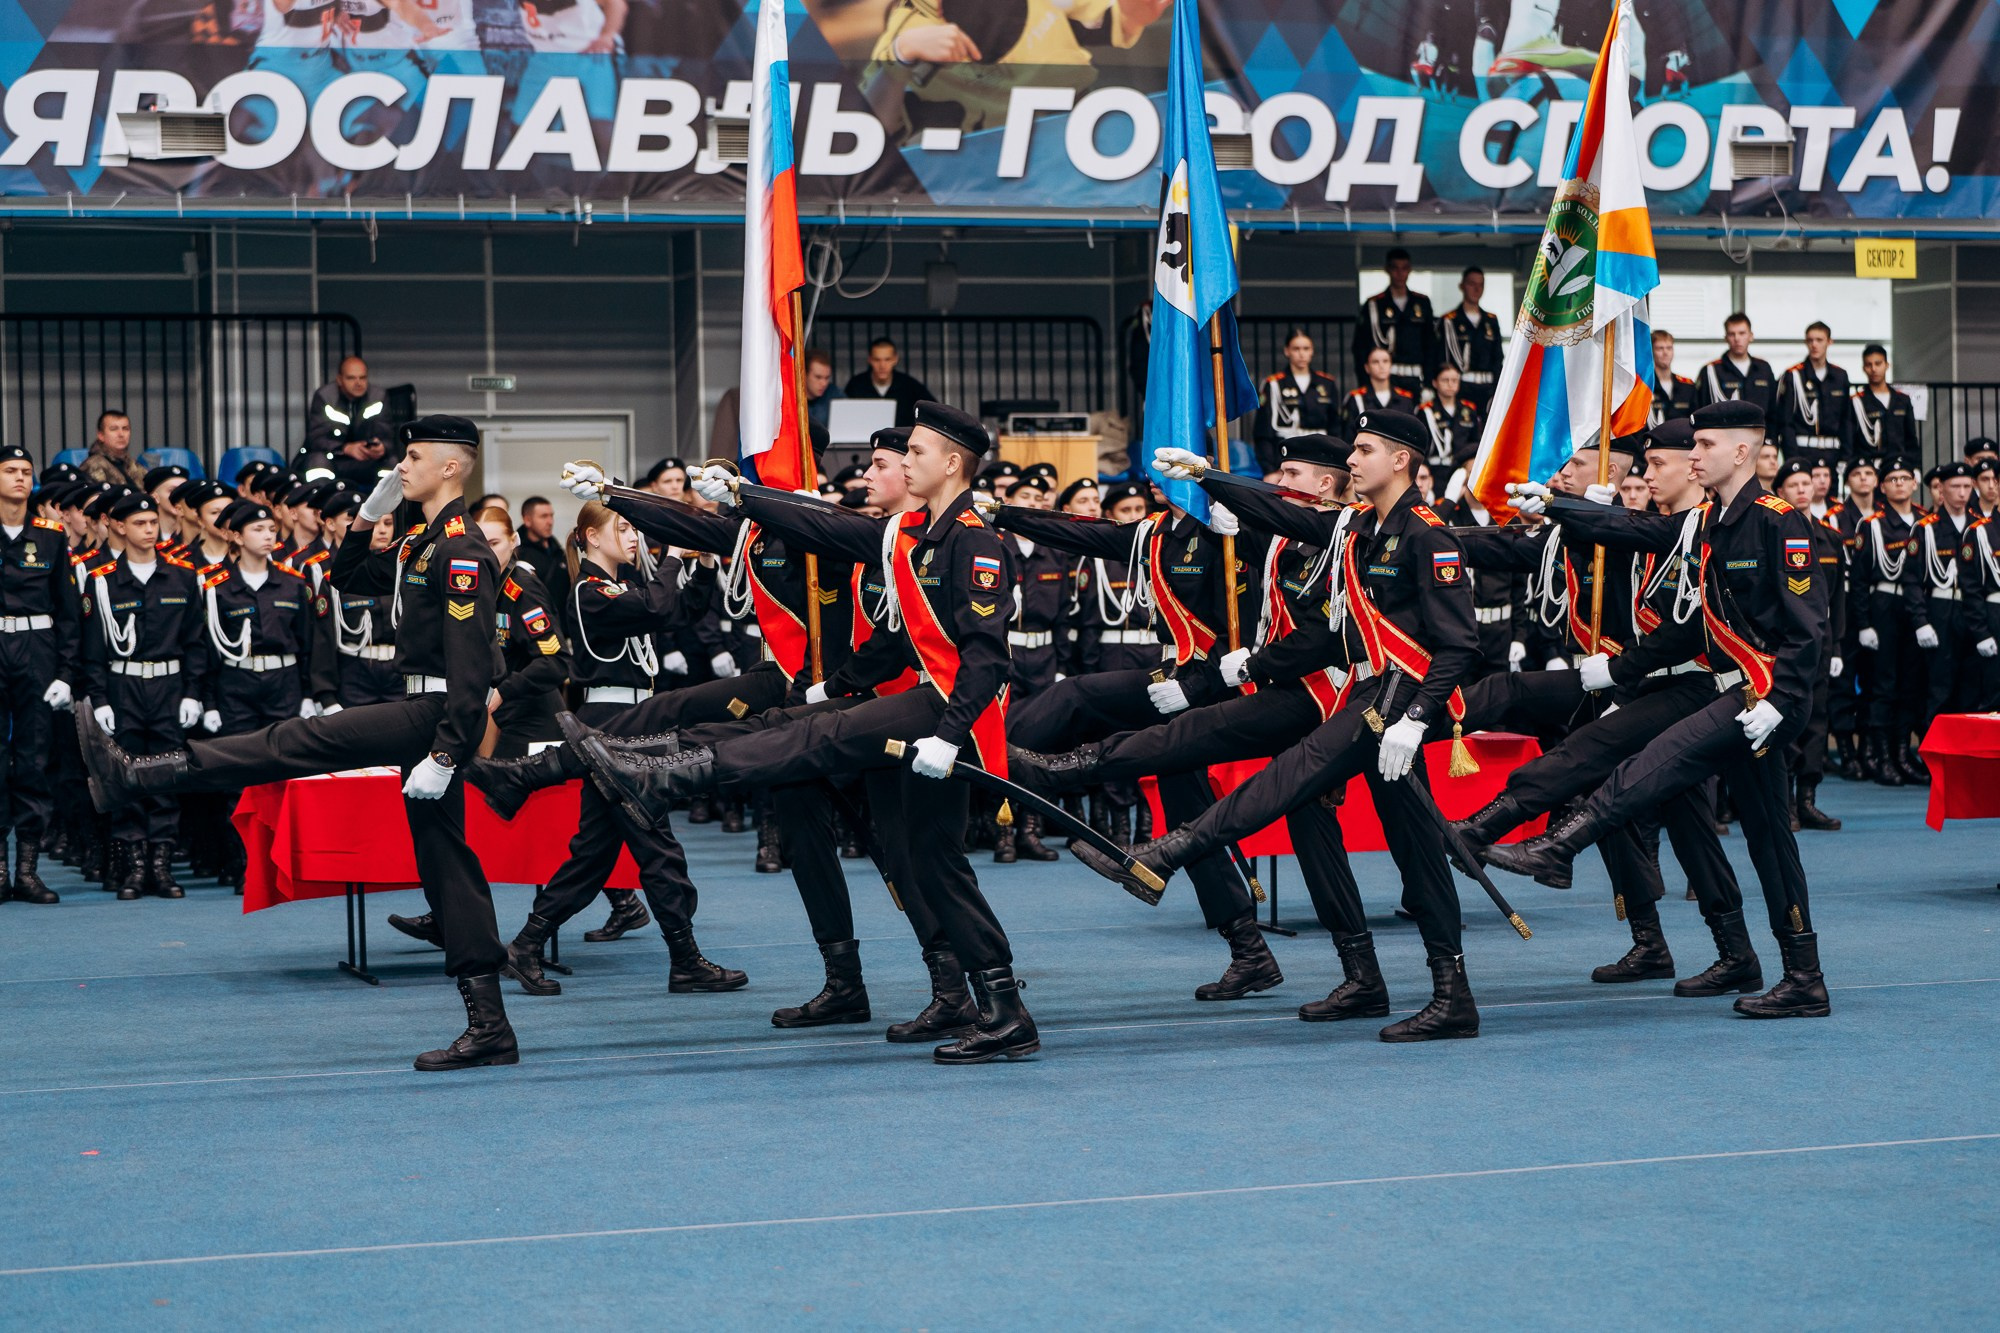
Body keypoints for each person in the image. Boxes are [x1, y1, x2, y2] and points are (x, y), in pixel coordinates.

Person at [566, 401, 1039, 1065]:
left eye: (904, 457)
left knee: (833, 765)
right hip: (894, 705)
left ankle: (661, 773)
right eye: (885, 459)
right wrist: (644, 496)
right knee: (919, 853)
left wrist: (948, 731)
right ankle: (983, 1002)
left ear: (947, 465)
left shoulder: (956, 537)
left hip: (931, 716)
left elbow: (984, 658)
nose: (891, 467)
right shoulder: (910, 536)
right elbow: (754, 531)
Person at [79, 415, 523, 1072]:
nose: (402, 466)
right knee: (446, 862)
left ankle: (142, 771)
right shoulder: (423, 539)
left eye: (415, 457)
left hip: (432, 714)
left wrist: (446, 752)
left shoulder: (461, 550)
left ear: (452, 467)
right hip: (425, 708)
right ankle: (490, 1024)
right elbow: (349, 577)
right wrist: (369, 514)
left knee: (298, 741)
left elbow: (473, 669)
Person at [1086, 411, 1483, 1042]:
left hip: (1398, 705)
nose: (1352, 461)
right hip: (1368, 693)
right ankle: (1393, 986)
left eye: (1364, 450)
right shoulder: (1359, 526)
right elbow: (1285, 513)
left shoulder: (1428, 536)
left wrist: (1414, 721)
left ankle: (1168, 852)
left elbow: (1461, 648)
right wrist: (1210, 478)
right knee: (1399, 839)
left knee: (1308, 785)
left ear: (1402, 460)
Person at [1485, 399, 1833, 1021]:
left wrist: (1784, 703)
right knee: (1769, 842)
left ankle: (1561, 845)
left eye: (1703, 445)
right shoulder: (1708, 522)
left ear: (1742, 451)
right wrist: (1560, 507)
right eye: (1691, 446)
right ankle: (1801, 974)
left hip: (1760, 697)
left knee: (1661, 759)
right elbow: (1633, 531)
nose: (1694, 455)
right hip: (1734, 690)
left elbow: (1808, 630)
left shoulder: (1779, 522)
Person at [79, 494, 208, 900]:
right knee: (127, 772)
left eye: (153, 522)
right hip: (124, 686)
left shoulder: (183, 577)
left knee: (168, 772)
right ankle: (134, 866)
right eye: (140, 523)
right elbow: (93, 650)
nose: (150, 530)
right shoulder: (101, 581)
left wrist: (193, 694)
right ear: (119, 527)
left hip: (169, 687)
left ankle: (161, 866)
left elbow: (196, 643)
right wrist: (99, 700)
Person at [0, 448, 81, 903]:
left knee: (33, 759)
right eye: (10, 471)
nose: (19, 478)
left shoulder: (50, 535)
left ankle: (27, 871)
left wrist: (66, 672)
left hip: (36, 648)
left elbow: (68, 611)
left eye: (26, 472)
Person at [1773, 458, 1846, 831]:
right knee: (1787, 719)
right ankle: (1784, 801)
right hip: (1785, 642)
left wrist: (1837, 647)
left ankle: (1807, 799)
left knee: (1817, 722)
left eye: (1808, 483)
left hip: (1821, 642)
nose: (1803, 489)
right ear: (1780, 491)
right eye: (1794, 484)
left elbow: (1838, 599)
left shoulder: (1830, 537)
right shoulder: (1773, 531)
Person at [1851, 456, 1930, 785]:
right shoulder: (1872, 525)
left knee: (1911, 683)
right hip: (1883, 603)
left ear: (1915, 484)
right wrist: (1864, 623)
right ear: (1883, 487)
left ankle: (1901, 753)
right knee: (1883, 684)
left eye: (1905, 478)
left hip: (1917, 606)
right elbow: (1857, 580)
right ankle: (1881, 755)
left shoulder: (1927, 522)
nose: (1899, 483)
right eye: (1892, 479)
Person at [1906, 461, 1986, 729]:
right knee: (1939, 688)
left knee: (1971, 688)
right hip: (1940, 608)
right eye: (1955, 486)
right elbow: (1912, 580)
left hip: (1975, 611)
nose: (1962, 492)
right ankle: (1935, 764)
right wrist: (1920, 621)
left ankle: (1965, 761)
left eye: (1966, 486)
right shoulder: (1926, 528)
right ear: (1941, 489)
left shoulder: (1980, 526)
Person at [1252, 327, 1340, 475]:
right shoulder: (1274, 384)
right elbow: (1263, 433)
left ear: (1312, 351)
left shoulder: (1327, 383)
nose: (1301, 353)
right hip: (1285, 459)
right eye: (1296, 348)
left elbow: (1336, 429)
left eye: (1306, 348)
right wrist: (1269, 471)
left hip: (1321, 456)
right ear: (1287, 351)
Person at [1353, 248, 1435, 397]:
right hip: (1385, 377)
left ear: (1409, 270)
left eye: (1404, 268)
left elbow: (1430, 345)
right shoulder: (1374, 304)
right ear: (1387, 269)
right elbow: (1360, 347)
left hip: (1416, 377)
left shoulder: (1422, 303)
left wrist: (1429, 383)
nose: (1399, 273)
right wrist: (1364, 382)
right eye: (1395, 268)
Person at [305, 356, 393, 483]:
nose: (358, 383)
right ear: (339, 380)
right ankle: (320, 501)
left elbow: (388, 436)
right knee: (317, 461)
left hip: (368, 460)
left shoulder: (378, 397)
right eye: (351, 378)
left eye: (362, 377)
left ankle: (388, 503)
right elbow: (316, 439)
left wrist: (381, 448)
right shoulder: (325, 397)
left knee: (391, 462)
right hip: (335, 459)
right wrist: (345, 448)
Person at [1774, 322, 1849, 461]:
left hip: (1833, 453)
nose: (1814, 345)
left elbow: (1846, 420)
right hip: (1802, 452)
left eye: (1819, 340)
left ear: (1829, 342)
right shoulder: (1793, 375)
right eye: (1810, 340)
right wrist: (1792, 457)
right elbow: (1785, 422)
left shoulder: (1840, 376)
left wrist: (1846, 457)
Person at [1694, 313, 1776, 420]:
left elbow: (1774, 409)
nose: (1737, 338)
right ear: (1726, 338)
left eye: (1742, 333)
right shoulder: (1710, 371)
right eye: (1732, 334)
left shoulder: (1764, 368)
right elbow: (1700, 410)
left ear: (1751, 336)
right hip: (1723, 435)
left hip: (1759, 435)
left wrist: (1771, 436)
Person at [1438, 266, 1503, 400]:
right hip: (1461, 387)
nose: (1477, 289)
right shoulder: (1450, 320)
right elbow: (1441, 356)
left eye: (1481, 284)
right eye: (1472, 284)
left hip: (1488, 387)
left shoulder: (1491, 320)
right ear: (1462, 286)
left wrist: (1498, 388)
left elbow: (1497, 358)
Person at [1844, 344, 1916, 459]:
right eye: (1869, 365)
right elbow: (1849, 438)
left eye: (1878, 363)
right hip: (1869, 466)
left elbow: (1911, 439)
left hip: (1898, 464)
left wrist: (1915, 466)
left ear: (1887, 365)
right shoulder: (1856, 401)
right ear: (1863, 368)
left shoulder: (1903, 400)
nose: (1873, 369)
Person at [842, 338, 932, 428]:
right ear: (870, 360)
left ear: (895, 359)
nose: (882, 365)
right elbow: (844, 416)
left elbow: (932, 410)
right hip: (865, 439)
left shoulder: (909, 386)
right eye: (877, 360)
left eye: (887, 359)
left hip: (902, 440)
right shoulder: (856, 385)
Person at [1341, 347, 1419, 439]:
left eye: (1385, 361)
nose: (1381, 366)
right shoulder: (1356, 398)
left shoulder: (1405, 398)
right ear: (1367, 368)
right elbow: (1348, 436)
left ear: (1391, 365)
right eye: (1375, 362)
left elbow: (1412, 433)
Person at [514, 495, 569, 604]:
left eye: (551, 516)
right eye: (544, 516)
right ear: (527, 520)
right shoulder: (518, 554)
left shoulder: (558, 550)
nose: (550, 522)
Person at [81, 410, 147, 490]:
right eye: (114, 429)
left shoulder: (132, 464)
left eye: (125, 429)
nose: (121, 434)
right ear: (101, 435)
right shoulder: (93, 465)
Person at [1648, 330, 1698, 424]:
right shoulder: (1645, 386)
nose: (1665, 352)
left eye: (1669, 348)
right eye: (1660, 348)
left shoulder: (1688, 386)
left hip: (1683, 437)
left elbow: (1697, 419)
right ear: (1651, 351)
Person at [804, 348, 843, 429]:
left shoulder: (835, 394)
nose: (824, 383)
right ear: (804, 375)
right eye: (818, 377)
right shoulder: (791, 398)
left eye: (827, 378)